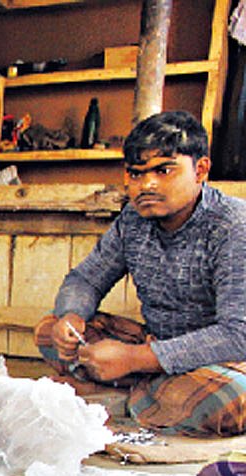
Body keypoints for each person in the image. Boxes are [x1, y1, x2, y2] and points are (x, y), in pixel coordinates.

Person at [35, 110, 246, 435]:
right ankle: (147, 393)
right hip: (156, 345)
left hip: (220, 359)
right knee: (49, 330)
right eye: (136, 174)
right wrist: (72, 315)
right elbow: (85, 279)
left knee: (230, 401)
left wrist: (135, 359)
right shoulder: (133, 221)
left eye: (164, 170)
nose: (146, 185)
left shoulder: (232, 226)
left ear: (200, 169)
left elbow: (237, 335)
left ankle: (118, 393)